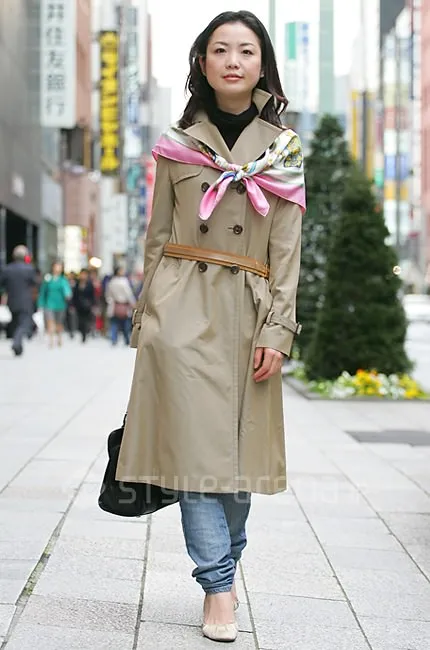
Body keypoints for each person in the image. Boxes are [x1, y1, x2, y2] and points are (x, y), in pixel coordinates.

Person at [116, 11, 305, 643]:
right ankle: (218, 588)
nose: (232, 60)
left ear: (262, 64)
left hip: (248, 312)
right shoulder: (177, 143)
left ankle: (225, 565)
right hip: (181, 310)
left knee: (236, 469)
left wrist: (278, 329)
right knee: (195, 462)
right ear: (202, 62)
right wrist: (147, 319)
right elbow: (156, 237)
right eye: (220, 49)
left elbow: (288, 249)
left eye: (245, 51)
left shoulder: (283, 149)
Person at [0, 245, 36, 356]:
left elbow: (2, 284)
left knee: (16, 323)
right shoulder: (29, 269)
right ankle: (16, 342)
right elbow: (34, 283)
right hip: (25, 301)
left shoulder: (7, 269)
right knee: (24, 323)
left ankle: (18, 347)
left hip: (12, 301)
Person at [37, 262, 72, 348]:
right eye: (56, 267)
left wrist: (68, 294)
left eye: (59, 267)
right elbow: (43, 292)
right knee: (50, 321)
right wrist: (40, 304)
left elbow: (67, 290)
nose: (57, 269)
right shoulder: (48, 279)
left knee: (59, 322)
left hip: (60, 304)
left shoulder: (63, 280)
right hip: (49, 304)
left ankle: (59, 337)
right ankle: (51, 340)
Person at [105, 267, 136, 346]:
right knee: (125, 324)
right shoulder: (124, 281)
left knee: (114, 323)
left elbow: (108, 295)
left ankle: (114, 339)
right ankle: (126, 339)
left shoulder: (111, 282)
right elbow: (129, 294)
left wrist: (111, 302)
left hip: (114, 305)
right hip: (124, 305)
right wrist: (133, 303)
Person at [72, 269, 95, 343]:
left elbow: (92, 295)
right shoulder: (77, 283)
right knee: (80, 320)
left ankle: (85, 333)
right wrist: (73, 304)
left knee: (86, 320)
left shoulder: (89, 284)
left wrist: (92, 304)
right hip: (79, 305)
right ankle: (82, 333)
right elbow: (75, 295)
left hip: (87, 305)